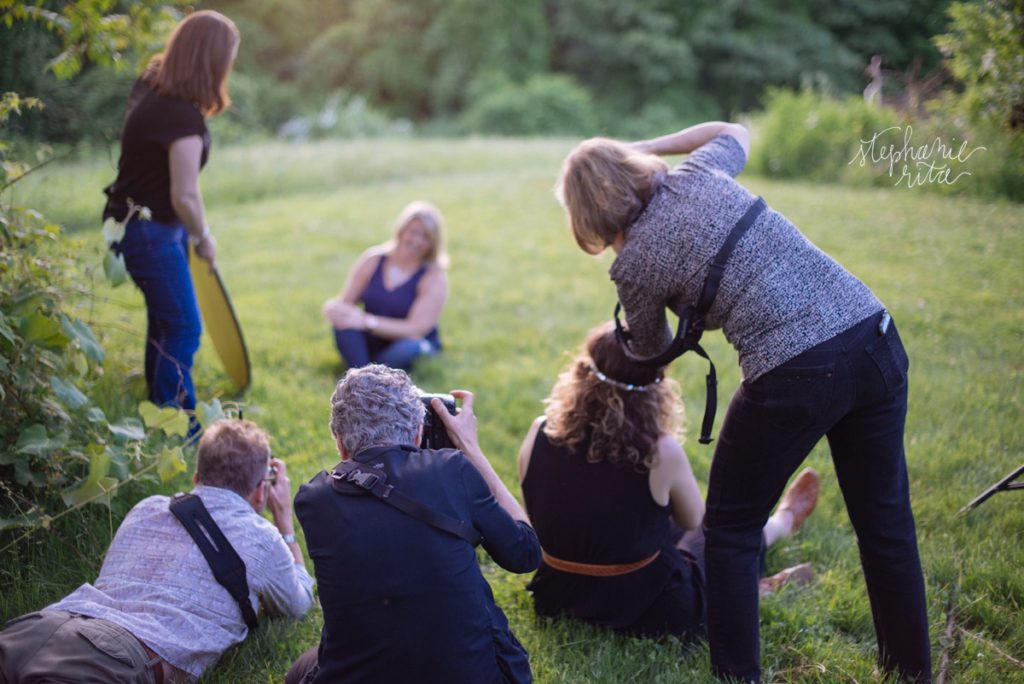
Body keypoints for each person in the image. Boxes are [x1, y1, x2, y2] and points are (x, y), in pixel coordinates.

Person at [556, 123, 931, 682]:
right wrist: (651, 150)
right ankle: (911, 673)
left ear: (587, 215)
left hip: (793, 370)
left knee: (729, 533)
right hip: (873, 335)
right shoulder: (699, 173)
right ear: (632, 166)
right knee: (886, 526)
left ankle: (737, 677)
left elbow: (652, 352)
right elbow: (736, 130)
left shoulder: (632, 265)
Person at [518, 323, 818, 642]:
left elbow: (537, 512)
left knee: (641, 522)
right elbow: (694, 521)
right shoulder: (660, 452)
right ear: (655, 388)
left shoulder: (540, 430)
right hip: (648, 608)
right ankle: (777, 534)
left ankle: (775, 532)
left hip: (557, 596)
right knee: (721, 529)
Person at [0, 419, 314, 683]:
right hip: (113, 654)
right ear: (262, 491)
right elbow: (298, 603)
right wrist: (285, 522)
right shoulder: (262, 538)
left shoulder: (147, 507)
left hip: (41, 626)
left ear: (196, 479)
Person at [286, 364, 540, 684]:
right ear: (419, 433)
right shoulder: (453, 470)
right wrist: (470, 448)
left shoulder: (313, 500)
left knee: (301, 670)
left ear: (340, 442)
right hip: (475, 674)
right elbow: (525, 554)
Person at [104, 10, 239, 414]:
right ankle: (177, 428)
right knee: (182, 326)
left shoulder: (151, 86)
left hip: (137, 223)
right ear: (212, 60)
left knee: (165, 319)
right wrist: (204, 238)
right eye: (229, 56)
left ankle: (158, 411)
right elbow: (185, 195)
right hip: (151, 232)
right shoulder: (180, 115)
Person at [322, 201, 448, 372]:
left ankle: (365, 375)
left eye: (425, 237)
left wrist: (368, 322)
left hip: (409, 342)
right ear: (401, 230)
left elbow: (416, 329)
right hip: (373, 337)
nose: (417, 240)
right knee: (344, 323)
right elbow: (346, 302)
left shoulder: (434, 277)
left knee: (408, 348)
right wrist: (334, 308)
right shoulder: (373, 260)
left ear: (433, 243)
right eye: (413, 232)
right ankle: (365, 375)